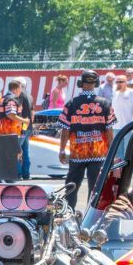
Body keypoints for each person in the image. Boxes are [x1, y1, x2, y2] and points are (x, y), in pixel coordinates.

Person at [57, 71, 115, 210]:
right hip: (98, 153)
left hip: (77, 153)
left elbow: (65, 130)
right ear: (96, 84)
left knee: (71, 186)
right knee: (96, 188)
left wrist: (62, 150)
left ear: (80, 84)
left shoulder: (72, 104)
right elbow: (109, 131)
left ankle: (68, 213)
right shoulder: (105, 103)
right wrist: (112, 152)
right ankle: (91, 216)